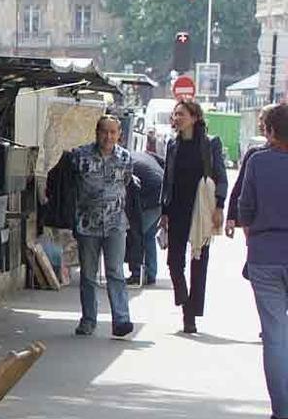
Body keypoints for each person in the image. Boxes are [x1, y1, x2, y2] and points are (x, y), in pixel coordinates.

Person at [230, 101, 288, 419]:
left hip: (265, 255)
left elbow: (245, 209)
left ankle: (282, 406)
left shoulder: (258, 162)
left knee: (275, 333)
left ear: (270, 131)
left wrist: (253, 240)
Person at [159, 98, 228, 335]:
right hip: (177, 208)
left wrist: (220, 206)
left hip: (201, 208)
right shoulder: (172, 144)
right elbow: (167, 179)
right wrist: (164, 211)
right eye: (175, 114)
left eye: (182, 114)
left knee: (199, 262)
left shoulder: (210, 144)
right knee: (173, 261)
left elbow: (220, 175)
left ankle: (190, 317)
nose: (177, 118)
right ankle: (183, 296)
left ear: (195, 118)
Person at [65, 115, 137, 338]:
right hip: (88, 225)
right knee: (88, 275)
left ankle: (121, 320)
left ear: (119, 135)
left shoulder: (125, 158)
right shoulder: (80, 156)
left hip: (115, 224)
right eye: (104, 132)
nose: (108, 137)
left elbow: (126, 184)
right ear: (96, 132)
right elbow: (70, 186)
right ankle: (88, 320)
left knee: (115, 272)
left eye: (113, 132)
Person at [125, 144, 164, 287]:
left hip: (153, 196)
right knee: (148, 235)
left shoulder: (125, 163)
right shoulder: (140, 155)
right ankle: (150, 272)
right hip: (162, 193)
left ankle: (141, 273)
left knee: (140, 234)